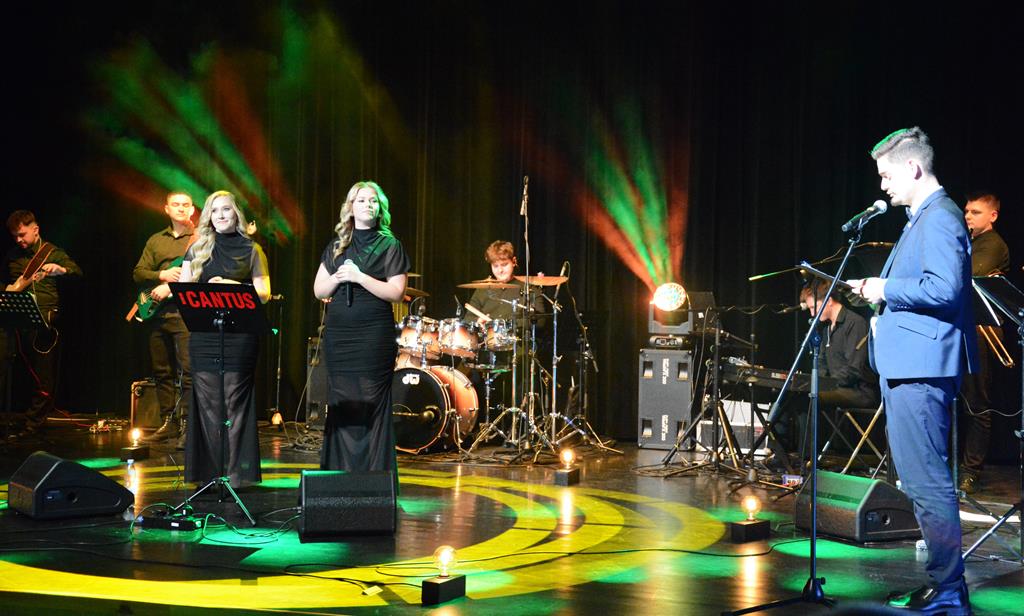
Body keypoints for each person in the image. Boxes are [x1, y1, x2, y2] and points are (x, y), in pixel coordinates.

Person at [849, 127, 976, 615]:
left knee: (927, 483)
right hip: (908, 365)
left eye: (886, 175)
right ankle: (943, 586)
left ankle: (948, 590)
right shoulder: (921, 218)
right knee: (919, 481)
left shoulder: (940, 217)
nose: (882, 185)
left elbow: (945, 289)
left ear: (913, 168)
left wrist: (884, 290)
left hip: (922, 369)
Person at [314, 181, 409, 475]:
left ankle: (372, 479)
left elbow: (396, 292)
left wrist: (360, 277)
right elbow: (319, 290)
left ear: (380, 208)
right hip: (339, 333)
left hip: (372, 333)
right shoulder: (337, 246)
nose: (368, 204)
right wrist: (339, 278)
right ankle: (340, 476)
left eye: (373, 201)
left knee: (370, 399)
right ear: (351, 207)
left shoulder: (390, 245)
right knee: (342, 401)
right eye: (361, 200)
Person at [180, 191, 270, 488]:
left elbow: (264, 294)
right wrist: (206, 289)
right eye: (214, 210)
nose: (220, 215)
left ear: (236, 214)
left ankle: (234, 475)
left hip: (239, 336)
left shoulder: (252, 249)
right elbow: (184, 291)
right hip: (205, 336)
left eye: (226, 209)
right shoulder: (197, 248)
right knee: (208, 405)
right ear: (208, 216)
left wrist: (233, 285)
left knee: (234, 404)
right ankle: (210, 475)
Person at [2, 210, 82, 440]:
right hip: (15, 320)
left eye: (22, 235)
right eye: (15, 236)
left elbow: (77, 273)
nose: (19, 240)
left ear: (35, 230)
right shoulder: (12, 256)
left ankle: (33, 425)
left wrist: (60, 270)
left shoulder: (53, 253)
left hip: (44, 321)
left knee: (43, 376)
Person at [132, 191, 195, 448]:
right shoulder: (156, 240)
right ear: (166, 209)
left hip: (186, 313)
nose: (181, 208)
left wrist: (172, 286)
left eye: (186, 205)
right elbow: (138, 273)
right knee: (161, 371)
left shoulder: (199, 238)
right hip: (157, 313)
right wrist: (162, 275)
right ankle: (168, 422)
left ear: (192, 210)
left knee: (189, 372)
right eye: (175, 204)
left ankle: (188, 425)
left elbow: (202, 273)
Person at [958, 191, 1010, 494]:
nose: (968, 216)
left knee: (977, 403)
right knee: (956, 400)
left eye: (975, 212)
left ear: (993, 215)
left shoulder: (992, 244)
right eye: (967, 211)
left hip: (981, 331)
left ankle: (971, 471)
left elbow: (971, 277)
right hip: (962, 328)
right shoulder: (970, 243)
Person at [800, 281, 880, 411]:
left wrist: (827, 384)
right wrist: (812, 382)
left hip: (860, 391)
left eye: (814, 307)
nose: (812, 314)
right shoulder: (826, 328)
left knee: (810, 398)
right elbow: (821, 363)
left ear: (829, 301)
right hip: (836, 387)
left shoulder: (855, 322)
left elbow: (854, 369)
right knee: (796, 394)